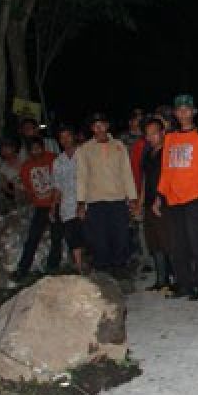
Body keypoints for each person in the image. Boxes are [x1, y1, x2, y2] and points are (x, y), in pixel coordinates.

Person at [155, 94, 198, 300]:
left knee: (197, 243)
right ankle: (184, 285)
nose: (183, 113)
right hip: (173, 200)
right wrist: (159, 197)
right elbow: (165, 170)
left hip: (194, 198)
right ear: (175, 113)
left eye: (187, 109)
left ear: (193, 112)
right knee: (178, 245)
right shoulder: (169, 139)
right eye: (179, 109)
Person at [75, 111, 137, 279]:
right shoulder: (84, 150)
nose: (99, 127)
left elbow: (126, 172)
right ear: (92, 128)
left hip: (117, 199)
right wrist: (80, 202)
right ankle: (103, 273)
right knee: (99, 239)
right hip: (95, 201)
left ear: (107, 126)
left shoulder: (119, 146)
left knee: (121, 236)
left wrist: (132, 198)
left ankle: (120, 269)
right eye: (96, 125)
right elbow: (81, 176)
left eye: (102, 124)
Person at [12, 137, 62, 280]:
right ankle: (23, 269)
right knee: (33, 237)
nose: (36, 151)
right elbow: (28, 189)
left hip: (56, 203)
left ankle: (53, 267)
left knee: (56, 237)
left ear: (43, 147)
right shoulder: (26, 167)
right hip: (40, 206)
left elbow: (61, 180)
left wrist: (56, 201)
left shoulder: (54, 159)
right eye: (33, 149)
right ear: (29, 151)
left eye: (38, 148)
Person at [138, 116, 174, 292]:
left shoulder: (168, 152)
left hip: (164, 202)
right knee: (154, 242)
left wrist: (160, 198)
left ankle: (175, 279)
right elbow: (145, 179)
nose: (151, 137)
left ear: (162, 132)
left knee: (167, 240)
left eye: (154, 133)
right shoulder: (147, 153)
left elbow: (169, 179)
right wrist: (140, 201)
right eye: (147, 134)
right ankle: (161, 279)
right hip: (149, 202)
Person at [51, 125, 87, 274]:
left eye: (68, 136)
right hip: (67, 205)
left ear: (74, 137)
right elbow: (57, 186)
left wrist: (83, 203)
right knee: (72, 236)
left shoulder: (84, 154)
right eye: (62, 138)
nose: (65, 140)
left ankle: (96, 264)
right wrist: (54, 206)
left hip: (86, 202)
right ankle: (79, 267)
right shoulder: (58, 161)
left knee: (89, 233)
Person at [0, 138, 24, 212]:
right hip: (16, 197)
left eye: (6, 148)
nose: (3, 151)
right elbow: (3, 185)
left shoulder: (24, 158)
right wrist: (15, 193)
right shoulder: (2, 166)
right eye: (2, 149)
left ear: (13, 148)